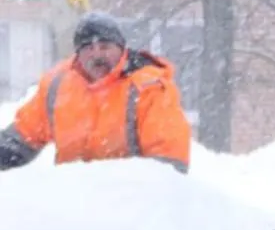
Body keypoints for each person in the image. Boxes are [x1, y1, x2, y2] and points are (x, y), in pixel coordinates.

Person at [0, 13, 191, 172]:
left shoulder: (149, 88)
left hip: (130, 204)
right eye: (88, 48)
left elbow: (168, 160)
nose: (97, 55)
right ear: (78, 54)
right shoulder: (57, 86)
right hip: (69, 203)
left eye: (105, 47)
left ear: (122, 49)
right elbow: (21, 138)